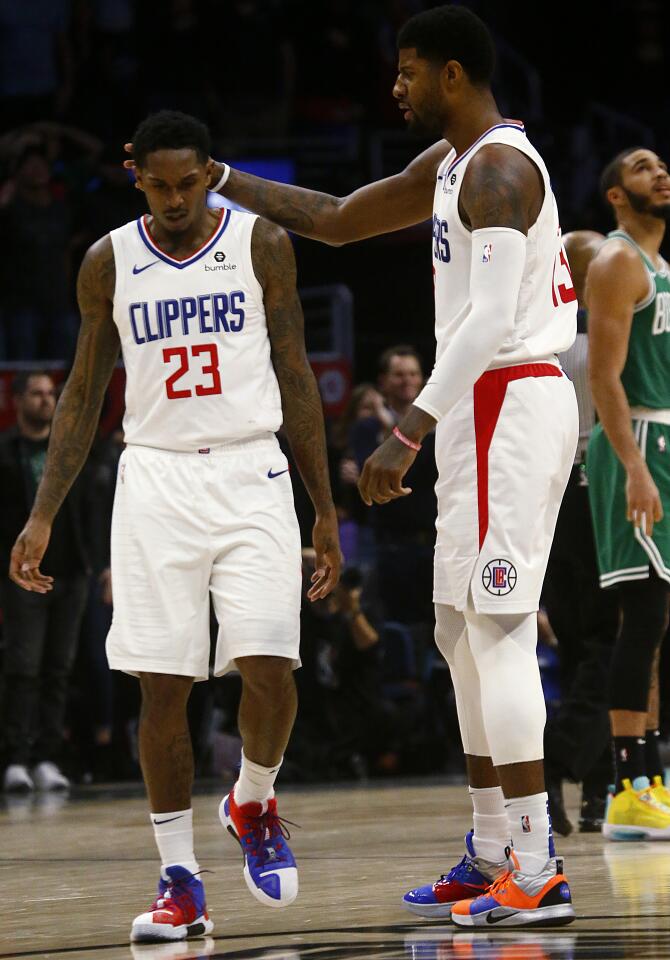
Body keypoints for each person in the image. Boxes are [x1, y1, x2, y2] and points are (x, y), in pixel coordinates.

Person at [188, 4, 578, 928]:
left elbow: (487, 319)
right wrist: (222, 181)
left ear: (453, 74)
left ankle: (537, 862)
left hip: (506, 400)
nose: (394, 87)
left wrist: (407, 429)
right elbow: (334, 220)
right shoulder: (449, 165)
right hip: (483, 409)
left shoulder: (496, 167)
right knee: (455, 632)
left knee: (497, 632)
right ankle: (492, 853)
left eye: (408, 71)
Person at [10, 110, 341, 943]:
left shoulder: (262, 242)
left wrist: (324, 507)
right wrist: (43, 513)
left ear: (209, 172)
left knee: (272, 664)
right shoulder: (108, 261)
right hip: (155, 476)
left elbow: (297, 374)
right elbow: (83, 395)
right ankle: (180, 881)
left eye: (187, 183)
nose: (173, 199)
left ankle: (254, 800)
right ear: (137, 178)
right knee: (164, 687)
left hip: (250, 466)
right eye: (157, 185)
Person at [585, 146, 670, 840]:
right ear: (615, 194)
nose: (661, 173)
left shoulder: (659, 267)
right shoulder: (617, 262)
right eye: (643, 167)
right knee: (642, 616)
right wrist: (634, 466)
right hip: (634, 444)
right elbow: (604, 379)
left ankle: (651, 779)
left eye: (662, 164)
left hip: (660, 442)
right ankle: (625, 788)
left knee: (657, 623)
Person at [541, 230, 620, 836]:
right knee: (612, 647)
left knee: (576, 649)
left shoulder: (546, 338)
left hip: (553, 500)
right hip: (599, 493)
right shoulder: (599, 339)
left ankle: (598, 793)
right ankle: (559, 762)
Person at [0, 371, 91, 792]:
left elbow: (92, 509)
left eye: (51, 394)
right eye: (36, 393)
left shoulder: (69, 450)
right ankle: (16, 758)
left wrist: (99, 564)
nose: (46, 400)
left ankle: (48, 757)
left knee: (59, 668)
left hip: (70, 572)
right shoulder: (5, 451)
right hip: (21, 575)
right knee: (23, 667)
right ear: (16, 399)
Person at [350, 345, 437, 624]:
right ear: (383, 382)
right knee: (390, 628)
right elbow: (376, 482)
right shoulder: (365, 427)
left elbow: (426, 473)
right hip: (386, 545)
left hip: (432, 542)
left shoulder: (439, 426)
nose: (408, 380)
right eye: (399, 374)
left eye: (413, 373)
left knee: (435, 629)